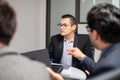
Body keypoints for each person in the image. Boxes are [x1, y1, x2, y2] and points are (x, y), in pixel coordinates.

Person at [0, 0, 63, 80]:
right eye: (60, 25)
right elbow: (49, 55)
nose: (61, 27)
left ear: (73, 27)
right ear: (12, 33)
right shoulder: (40, 71)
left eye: (65, 25)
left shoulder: (82, 41)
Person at [67, 3, 120, 79]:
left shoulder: (108, 65)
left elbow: (101, 70)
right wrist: (82, 56)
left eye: (88, 29)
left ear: (95, 34)